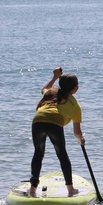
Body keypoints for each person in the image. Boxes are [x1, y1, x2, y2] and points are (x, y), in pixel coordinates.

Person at [29, 68, 85, 197]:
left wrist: (55, 77)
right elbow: (77, 132)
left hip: (37, 121)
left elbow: (43, 88)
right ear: (75, 88)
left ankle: (32, 189)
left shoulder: (51, 92)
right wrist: (81, 140)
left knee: (38, 153)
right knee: (62, 155)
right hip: (54, 123)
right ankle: (70, 189)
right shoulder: (75, 105)